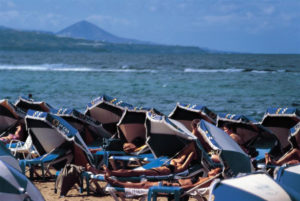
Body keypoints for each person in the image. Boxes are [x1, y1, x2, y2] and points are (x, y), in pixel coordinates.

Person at [103, 141, 199, 177]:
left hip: (161, 171)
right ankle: (107, 173)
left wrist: (191, 155)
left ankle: (111, 173)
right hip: (160, 167)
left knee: (133, 172)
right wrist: (191, 152)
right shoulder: (178, 161)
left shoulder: (180, 168)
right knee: (133, 172)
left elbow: (183, 167)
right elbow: (188, 149)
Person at [104, 166, 221, 190]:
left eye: (214, 169)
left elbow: (192, 186)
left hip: (176, 186)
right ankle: (115, 178)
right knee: (135, 175)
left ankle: (119, 184)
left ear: (217, 174)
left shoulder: (210, 181)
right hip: (175, 182)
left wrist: (178, 190)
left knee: (145, 185)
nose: (210, 170)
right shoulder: (207, 179)